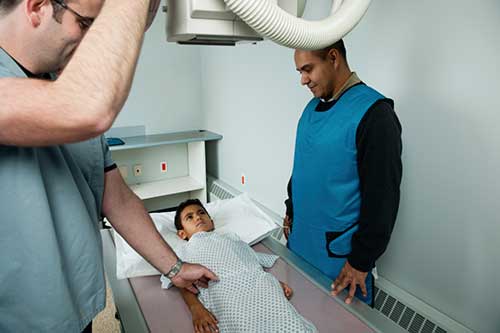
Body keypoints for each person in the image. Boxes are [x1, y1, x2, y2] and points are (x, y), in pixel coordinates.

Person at [0, 1, 217, 332]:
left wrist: (174, 268)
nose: (92, 41)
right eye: (86, 24)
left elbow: (117, 199)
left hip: (74, 310)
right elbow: (88, 108)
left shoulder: (58, 82)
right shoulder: (68, 100)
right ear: (38, 7)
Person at [283, 39, 402, 306]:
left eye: (308, 69)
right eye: (300, 72)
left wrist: (361, 260)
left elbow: (383, 198)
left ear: (334, 58)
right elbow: (305, 165)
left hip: (340, 260)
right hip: (301, 243)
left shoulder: (375, 115)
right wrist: (291, 207)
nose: (303, 80)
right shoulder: (311, 108)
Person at [164, 199, 317, 333]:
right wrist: (195, 308)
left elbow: (250, 261)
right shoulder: (183, 250)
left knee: (290, 323)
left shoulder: (232, 238)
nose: (197, 217)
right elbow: (181, 280)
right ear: (182, 234)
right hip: (224, 291)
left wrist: (274, 282)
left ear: (212, 221)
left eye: (201, 213)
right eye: (189, 217)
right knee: (244, 325)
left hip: (260, 285)